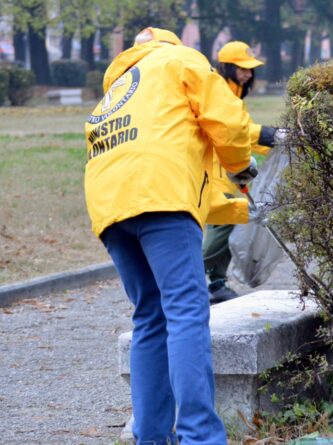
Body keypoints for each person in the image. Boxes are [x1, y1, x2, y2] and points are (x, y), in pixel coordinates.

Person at [84, 27, 258, 445]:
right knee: (186, 311)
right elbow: (228, 122)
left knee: (150, 315)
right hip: (160, 198)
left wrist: (237, 208)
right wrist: (241, 164)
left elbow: (174, 172)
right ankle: (200, 436)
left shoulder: (117, 90)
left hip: (110, 208)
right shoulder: (181, 60)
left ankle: (150, 437)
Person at [203, 40, 286, 303]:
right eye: (242, 68)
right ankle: (184, 274)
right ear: (227, 66)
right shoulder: (216, 90)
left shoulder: (234, 95)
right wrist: (269, 134)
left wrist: (275, 143)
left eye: (250, 69)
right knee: (224, 223)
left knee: (229, 222)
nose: (248, 74)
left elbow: (243, 135)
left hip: (227, 171)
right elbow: (232, 131)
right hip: (211, 171)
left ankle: (217, 283)